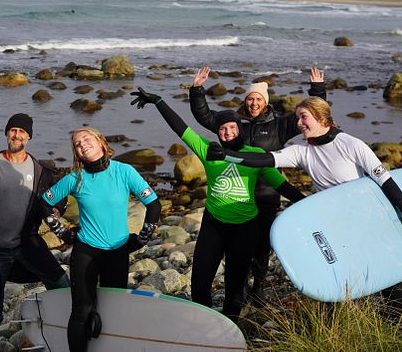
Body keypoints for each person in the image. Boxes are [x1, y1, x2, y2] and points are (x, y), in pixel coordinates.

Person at [130, 88, 305, 322]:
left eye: (232, 127)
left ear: (239, 128)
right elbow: (181, 128)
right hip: (214, 225)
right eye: (223, 128)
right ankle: (204, 321)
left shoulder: (256, 155)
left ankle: (228, 326)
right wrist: (159, 101)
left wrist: (308, 204)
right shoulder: (208, 150)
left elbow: (283, 186)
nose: (228, 132)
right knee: (200, 280)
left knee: (236, 282)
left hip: (245, 227)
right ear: (218, 132)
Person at [189, 66, 326, 305]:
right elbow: (205, 117)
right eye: (250, 98)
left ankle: (259, 286)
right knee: (238, 252)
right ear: (245, 101)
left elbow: (311, 117)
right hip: (236, 195)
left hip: (266, 193)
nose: (253, 103)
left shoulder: (279, 125)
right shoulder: (234, 125)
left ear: (266, 102)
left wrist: (317, 90)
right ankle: (239, 290)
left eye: (258, 99)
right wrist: (197, 90)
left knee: (262, 245)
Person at [205, 96, 402, 237]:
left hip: (363, 213)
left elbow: (384, 179)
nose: (299, 123)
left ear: (321, 117)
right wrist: (228, 155)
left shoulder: (350, 144)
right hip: (332, 218)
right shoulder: (302, 150)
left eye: (304, 117)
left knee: (390, 287)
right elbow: (264, 159)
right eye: (298, 118)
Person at [41, 127, 161, 352]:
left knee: (114, 310)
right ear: (77, 153)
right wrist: (62, 232)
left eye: (86, 139)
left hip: (118, 251)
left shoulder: (124, 172)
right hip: (86, 251)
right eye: (77, 143)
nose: (82, 144)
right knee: (82, 310)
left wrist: (142, 238)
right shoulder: (75, 178)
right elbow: (45, 201)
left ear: (101, 143)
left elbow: (153, 204)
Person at [0, 113, 70, 351]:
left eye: (22, 132)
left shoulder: (42, 171)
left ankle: (67, 325)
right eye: (13, 130)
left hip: (29, 243)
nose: (17, 135)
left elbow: (60, 198)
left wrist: (55, 211)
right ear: (6, 134)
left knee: (60, 282)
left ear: (29, 137)